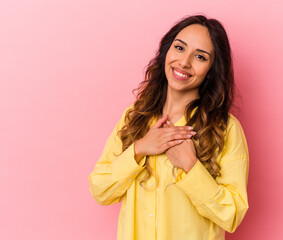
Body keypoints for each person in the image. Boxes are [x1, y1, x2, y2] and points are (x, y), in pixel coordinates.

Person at [88, 14, 249, 240]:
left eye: (200, 57)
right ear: (167, 51)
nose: (184, 62)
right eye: (180, 48)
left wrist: (191, 167)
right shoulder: (135, 117)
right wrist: (139, 149)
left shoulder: (226, 129)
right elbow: (100, 190)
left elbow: (232, 214)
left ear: (212, 69)